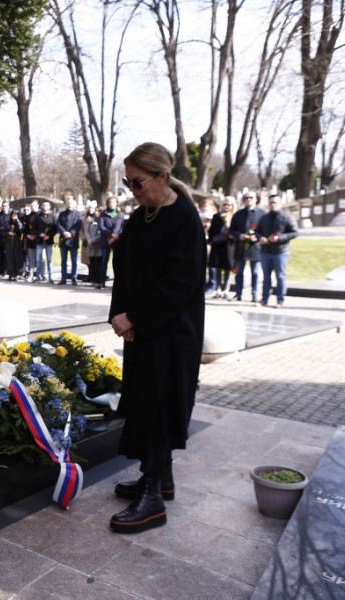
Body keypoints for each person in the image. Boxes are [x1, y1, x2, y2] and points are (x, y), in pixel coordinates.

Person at [108, 142, 206, 534]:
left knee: (159, 407)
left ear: (162, 177)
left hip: (171, 334)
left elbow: (179, 283)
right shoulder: (142, 214)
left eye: (138, 181)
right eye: (127, 181)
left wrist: (136, 316)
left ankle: (152, 499)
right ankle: (160, 481)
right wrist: (121, 316)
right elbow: (124, 266)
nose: (132, 189)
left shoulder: (184, 218)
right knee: (146, 402)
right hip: (144, 331)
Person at [256, 194, 298, 308]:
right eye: (271, 202)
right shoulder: (264, 218)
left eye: (275, 202)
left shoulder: (287, 217)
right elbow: (257, 231)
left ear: (280, 204)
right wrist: (260, 237)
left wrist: (280, 238)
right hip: (265, 251)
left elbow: (294, 232)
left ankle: (280, 300)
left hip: (281, 251)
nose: (272, 205)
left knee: (280, 276)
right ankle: (264, 299)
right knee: (266, 277)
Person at [228, 191, 265, 303]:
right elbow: (231, 229)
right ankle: (238, 293)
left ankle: (254, 294)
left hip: (255, 247)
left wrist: (257, 236)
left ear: (256, 199)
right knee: (239, 272)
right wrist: (240, 235)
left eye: (251, 197)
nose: (249, 199)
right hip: (241, 247)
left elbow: (265, 230)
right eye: (246, 197)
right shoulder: (238, 214)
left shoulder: (262, 214)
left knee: (255, 272)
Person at [207, 197, 235, 297]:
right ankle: (218, 289)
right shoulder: (216, 216)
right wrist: (211, 240)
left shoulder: (234, 217)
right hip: (218, 244)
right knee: (218, 267)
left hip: (229, 245)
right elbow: (212, 231)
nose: (226, 206)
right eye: (224, 204)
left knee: (227, 268)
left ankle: (226, 290)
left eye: (229, 205)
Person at [97, 196, 124, 289]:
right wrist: (111, 234)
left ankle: (117, 282)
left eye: (113, 202)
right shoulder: (103, 214)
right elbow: (101, 227)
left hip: (117, 241)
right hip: (106, 240)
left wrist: (115, 236)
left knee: (116, 262)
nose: (111, 204)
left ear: (116, 203)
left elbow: (121, 227)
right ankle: (102, 281)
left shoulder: (120, 214)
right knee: (104, 261)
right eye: (110, 202)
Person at [55, 197, 83, 285]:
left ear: (74, 204)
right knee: (63, 261)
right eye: (68, 203)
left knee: (74, 261)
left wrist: (71, 233)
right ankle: (63, 278)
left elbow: (79, 224)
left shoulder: (78, 214)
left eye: (71, 203)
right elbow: (58, 224)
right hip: (63, 240)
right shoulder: (62, 214)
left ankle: (74, 278)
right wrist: (63, 232)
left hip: (73, 240)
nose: (69, 205)